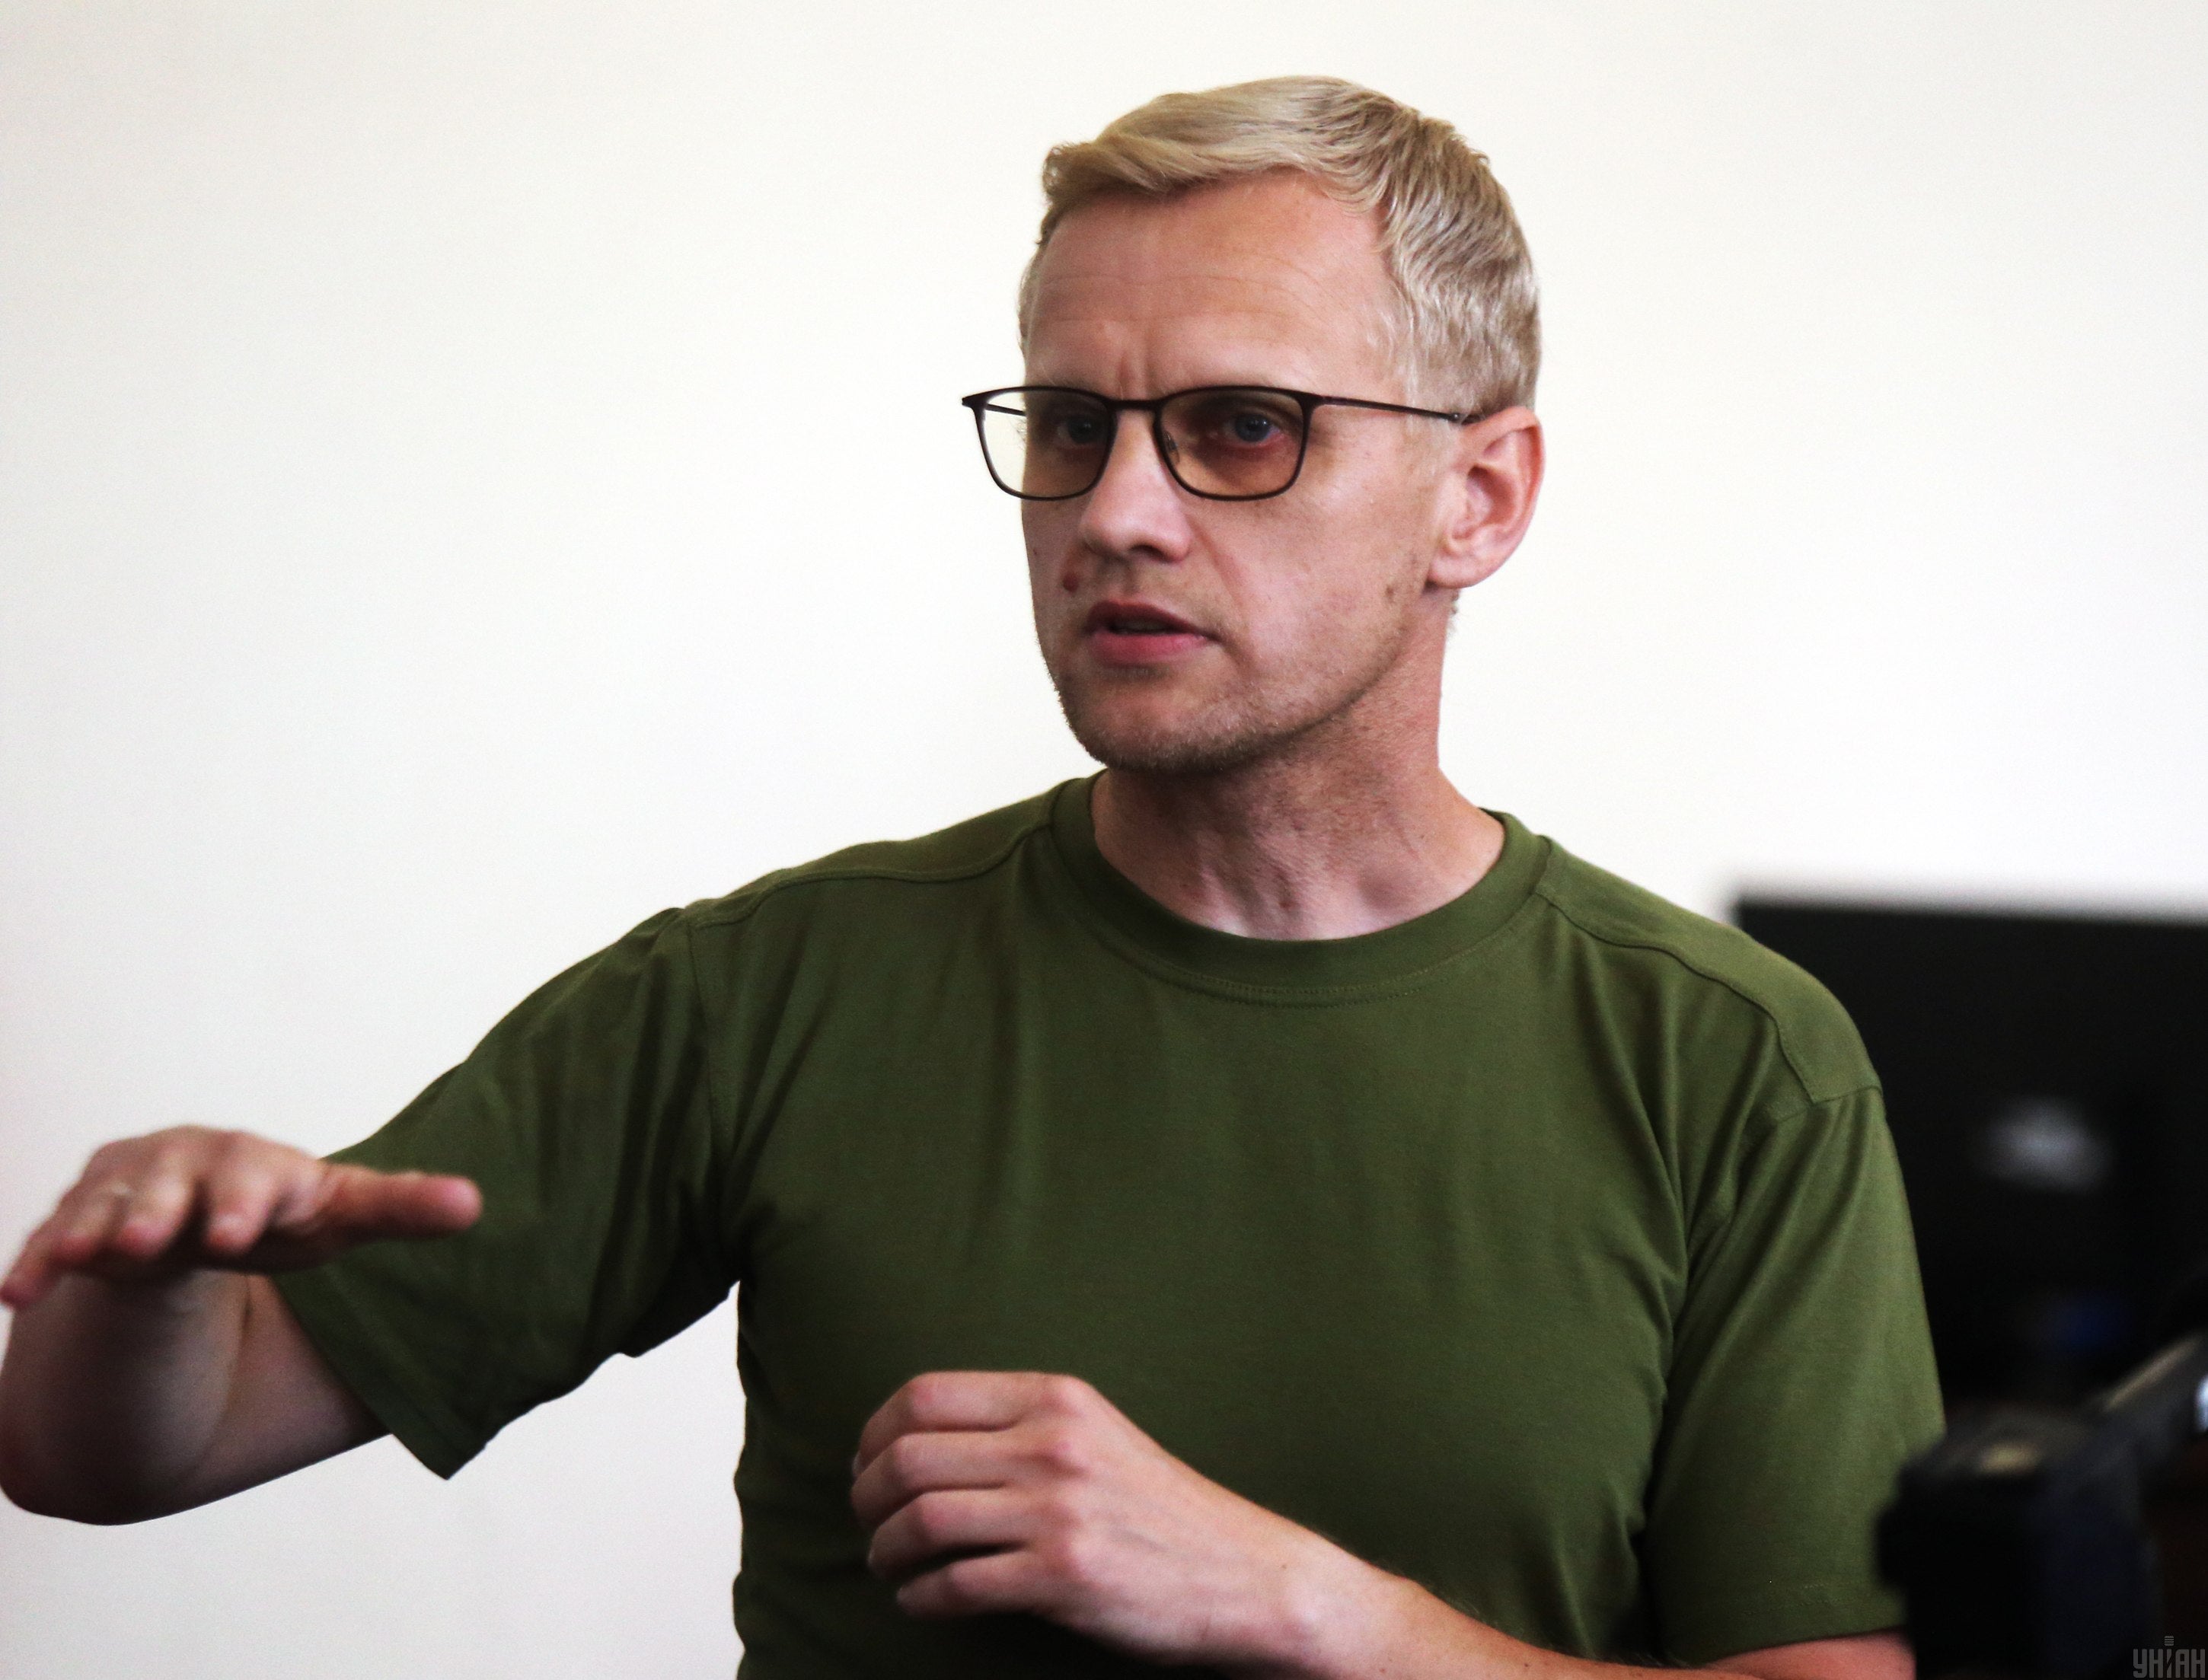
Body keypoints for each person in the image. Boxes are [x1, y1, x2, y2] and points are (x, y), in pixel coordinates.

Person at [0, 76, 1942, 1679]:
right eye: (1074, 427)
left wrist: (1307, 1610)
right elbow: (114, 1453)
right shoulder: (773, 989)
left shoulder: (1728, 1063)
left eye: (1239, 429)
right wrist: (150, 1293)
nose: (1116, 512)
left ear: (1479, 499)